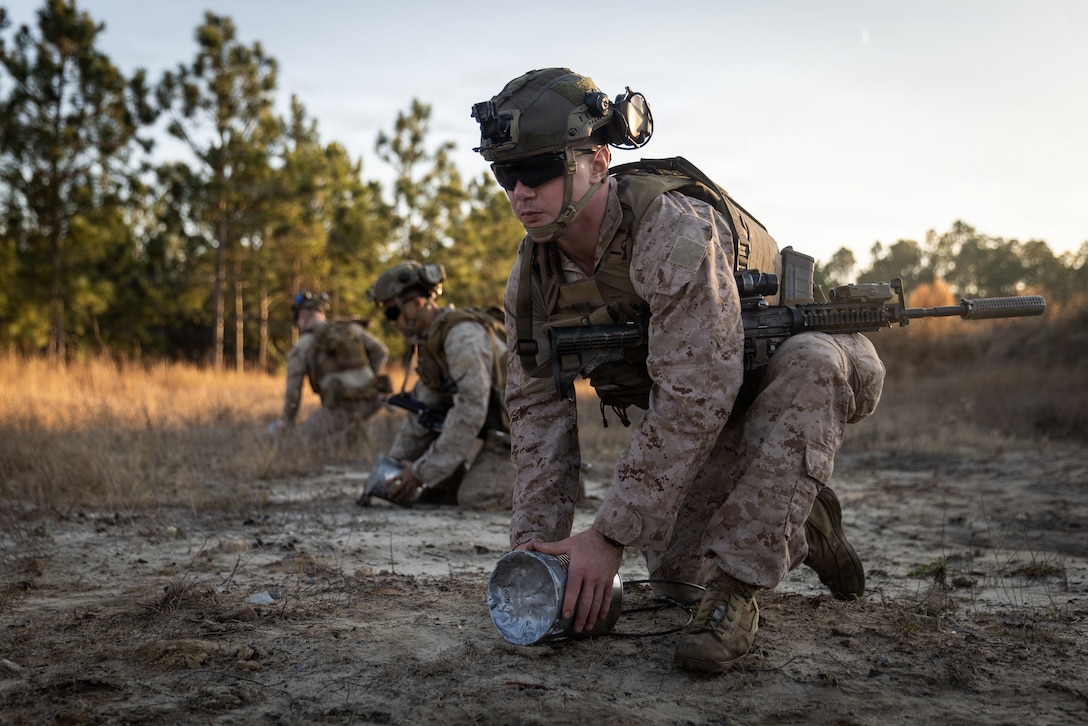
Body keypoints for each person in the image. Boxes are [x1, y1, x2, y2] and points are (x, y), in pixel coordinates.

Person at [472, 68, 886, 673]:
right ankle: (809, 518)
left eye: (538, 171)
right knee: (671, 586)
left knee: (812, 362)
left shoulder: (671, 229)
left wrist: (609, 535)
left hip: (790, 373)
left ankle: (739, 592)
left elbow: (697, 391)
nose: (520, 193)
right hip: (714, 411)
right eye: (505, 174)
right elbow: (536, 418)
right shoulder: (533, 279)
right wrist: (540, 559)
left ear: (597, 160)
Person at [363, 261, 513, 510]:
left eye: (392, 313)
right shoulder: (433, 341)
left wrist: (421, 471)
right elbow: (422, 412)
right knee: (439, 492)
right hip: (499, 432)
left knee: (477, 497)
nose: (391, 322)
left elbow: (469, 411)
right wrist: (392, 467)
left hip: (523, 436)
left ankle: (553, 482)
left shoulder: (462, 338)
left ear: (417, 304)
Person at [273, 290, 390, 447]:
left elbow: (293, 391)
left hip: (341, 407)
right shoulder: (350, 329)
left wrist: (287, 423)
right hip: (372, 402)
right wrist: (369, 380)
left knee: (297, 445)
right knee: (352, 440)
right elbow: (381, 352)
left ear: (301, 317)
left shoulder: (303, 345)